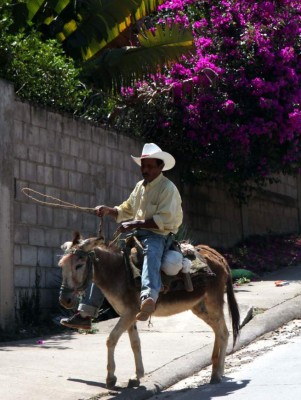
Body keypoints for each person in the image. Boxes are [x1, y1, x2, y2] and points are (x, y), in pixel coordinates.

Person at [60, 142, 183, 328]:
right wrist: (108, 210)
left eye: (150, 166)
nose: (145, 169)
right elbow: (126, 209)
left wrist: (133, 223)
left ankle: (149, 296)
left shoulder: (168, 188)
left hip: (159, 235)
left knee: (151, 253)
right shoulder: (140, 187)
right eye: (143, 165)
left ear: (160, 167)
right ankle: (85, 314)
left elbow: (163, 220)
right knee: (101, 260)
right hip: (137, 235)